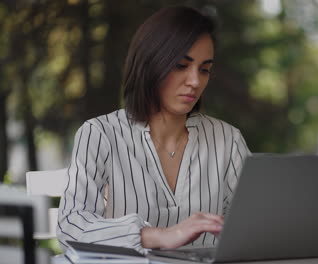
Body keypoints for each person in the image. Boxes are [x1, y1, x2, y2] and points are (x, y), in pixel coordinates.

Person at [57, 6, 251, 252]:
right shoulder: (99, 134)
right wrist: (158, 236)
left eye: (204, 70)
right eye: (181, 65)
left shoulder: (228, 139)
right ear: (151, 64)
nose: (195, 81)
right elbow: (70, 226)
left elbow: (253, 226)